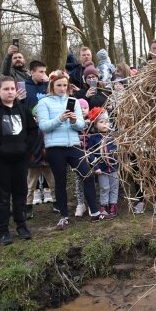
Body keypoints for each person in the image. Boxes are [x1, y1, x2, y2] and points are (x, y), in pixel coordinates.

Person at [37, 71, 111, 229]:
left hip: (73, 145)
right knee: (60, 182)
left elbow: (81, 126)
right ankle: (64, 216)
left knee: (87, 174)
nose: (62, 88)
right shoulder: (44, 102)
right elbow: (43, 126)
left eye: (64, 85)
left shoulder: (74, 101)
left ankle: (95, 211)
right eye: (59, 85)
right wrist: (60, 119)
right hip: (55, 148)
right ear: (52, 86)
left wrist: (73, 120)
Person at [0, 76, 38, 245]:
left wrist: (26, 148)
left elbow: (33, 130)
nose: (10, 92)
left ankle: (21, 225)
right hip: (1, 160)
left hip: (21, 159)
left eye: (12, 88)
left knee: (20, 193)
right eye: (6, 89)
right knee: (2, 196)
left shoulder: (23, 109)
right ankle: (3, 230)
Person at [87, 110, 120, 216]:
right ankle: (104, 205)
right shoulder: (93, 138)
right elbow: (90, 154)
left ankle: (113, 205)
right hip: (102, 168)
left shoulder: (113, 136)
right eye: (101, 122)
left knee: (114, 186)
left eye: (106, 121)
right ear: (95, 125)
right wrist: (95, 167)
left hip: (114, 167)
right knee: (104, 187)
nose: (105, 124)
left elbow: (119, 151)